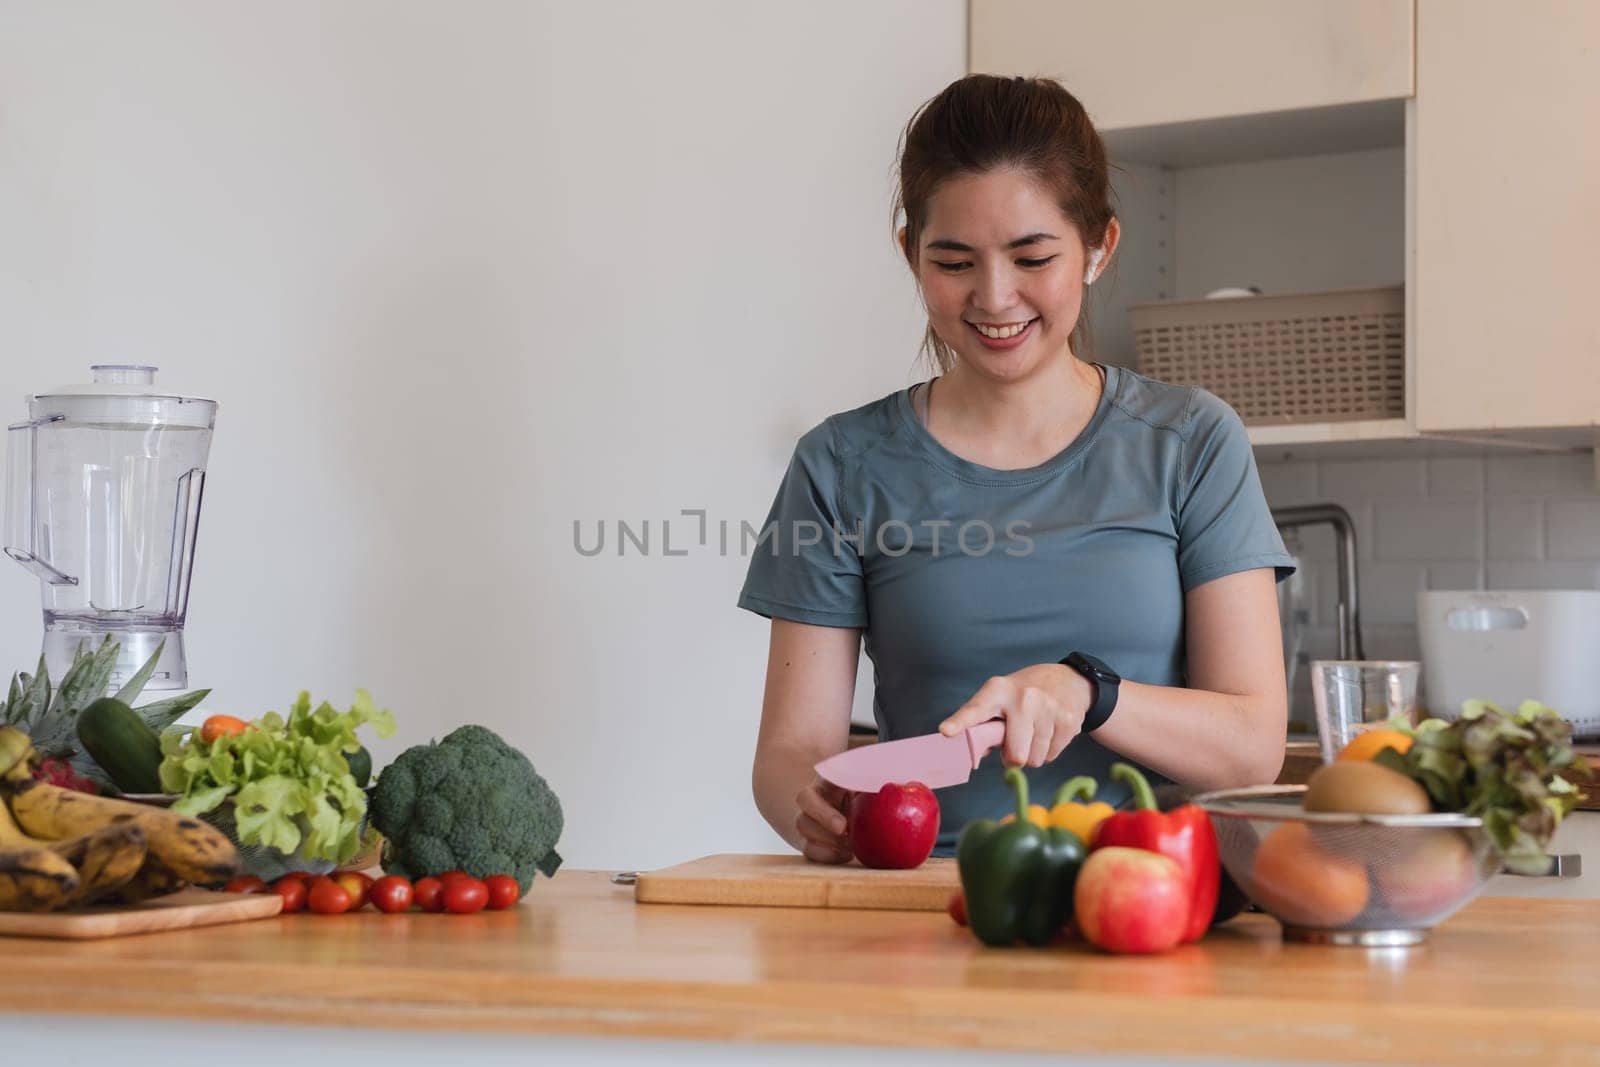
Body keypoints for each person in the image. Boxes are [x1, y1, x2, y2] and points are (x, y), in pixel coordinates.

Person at [741, 75, 1294, 862]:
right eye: (954, 261)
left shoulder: (1191, 441)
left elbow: (1252, 747)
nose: (994, 297)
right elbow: (788, 751)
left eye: (1032, 255)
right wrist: (815, 804)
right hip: (924, 912)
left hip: (1146, 898)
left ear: (1100, 247)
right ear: (910, 254)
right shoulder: (840, 465)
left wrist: (1090, 693)